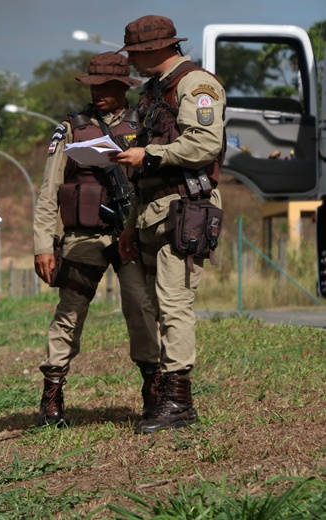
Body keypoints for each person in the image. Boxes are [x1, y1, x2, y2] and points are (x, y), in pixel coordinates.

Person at [33, 52, 161, 428]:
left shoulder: (144, 123)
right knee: (70, 312)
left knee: (141, 307)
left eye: (108, 87)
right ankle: (51, 397)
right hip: (82, 238)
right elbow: (49, 189)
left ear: (124, 88)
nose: (100, 93)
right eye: (94, 87)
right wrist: (44, 243)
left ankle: (152, 389)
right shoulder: (72, 127)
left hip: (131, 234)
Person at [111, 15, 225, 434]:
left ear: (161, 48)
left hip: (185, 208)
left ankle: (179, 402)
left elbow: (205, 143)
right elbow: (145, 164)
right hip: (150, 211)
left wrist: (150, 156)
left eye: (138, 53)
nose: (134, 62)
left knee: (175, 303)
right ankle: (164, 395)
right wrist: (129, 224)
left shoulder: (197, 85)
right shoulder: (151, 93)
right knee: (157, 306)